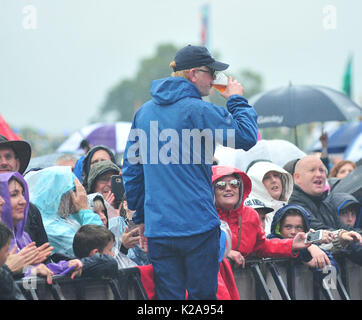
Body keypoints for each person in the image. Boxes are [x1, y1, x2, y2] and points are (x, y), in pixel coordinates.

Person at [122, 44, 258, 300]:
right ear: (194, 74)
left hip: (160, 228)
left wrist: (142, 218)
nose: (214, 80)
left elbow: (131, 170)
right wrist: (237, 99)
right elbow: (247, 136)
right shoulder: (200, 110)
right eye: (211, 73)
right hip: (197, 226)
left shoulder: (144, 113)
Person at [212, 165, 312, 269]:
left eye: (234, 184)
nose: (228, 188)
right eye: (221, 185)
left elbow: (263, 246)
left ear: (240, 188)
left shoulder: (250, 215)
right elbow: (195, 246)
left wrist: (292, 244)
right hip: (211, 280)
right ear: (211, 190)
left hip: (244, 282)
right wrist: (224, 252)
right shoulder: (201, 215)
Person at [0, 171, 83, 284]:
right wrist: (10, 269)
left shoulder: (24, 237)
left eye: (23, 194)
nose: (23, 201)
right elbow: (23, 273)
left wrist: (65, 266)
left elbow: (39, 270)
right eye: (14, 195)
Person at [288, 155, 362, 265]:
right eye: (312, 170)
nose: (319, 174)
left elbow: (347, 229)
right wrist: (343, 236)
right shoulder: (295, 206)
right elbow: (320, 231)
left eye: (322, 170)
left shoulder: (325, 204)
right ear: (297, 177)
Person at [25, 166, 104, 257]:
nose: (79, 196)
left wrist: (82, 212)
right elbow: (100, 245)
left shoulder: (62, 218)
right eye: (74, 191)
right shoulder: (51, 227)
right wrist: (84, 210)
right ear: (58, 195)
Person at [268, 204, 336, 270]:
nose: (293, 232)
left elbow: (330, 265)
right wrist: (308, 249)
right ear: (279, 228)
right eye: (288, 227)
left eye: (298, 227)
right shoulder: (271, 240)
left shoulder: (310, 245)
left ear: (305, 230)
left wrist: (318, 264)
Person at [246, 160, 294, 235]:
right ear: (256, 183)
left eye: (276, 175)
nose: (274, 180)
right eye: (267, 177)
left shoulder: (290, 208)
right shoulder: (251, 212)